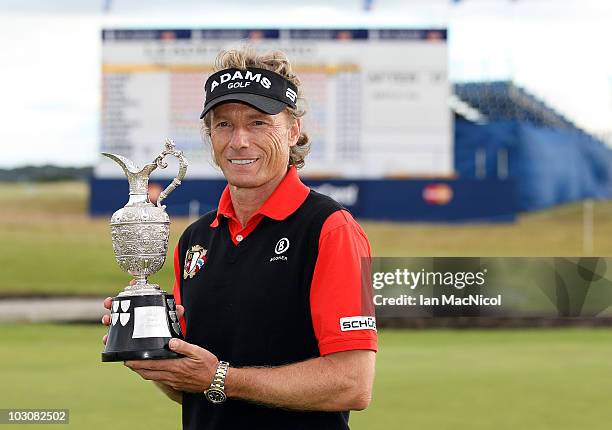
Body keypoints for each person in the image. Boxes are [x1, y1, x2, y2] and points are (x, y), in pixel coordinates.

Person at [102, 46, 377, 429]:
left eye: (259, 122)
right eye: (224, 124)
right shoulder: (195, 240)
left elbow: (352, 384)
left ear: (293, 129)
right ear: (210, 134)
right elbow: (193, 388)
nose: (239, 141)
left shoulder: (331, 229)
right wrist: (152, 350)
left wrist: (220, 378)